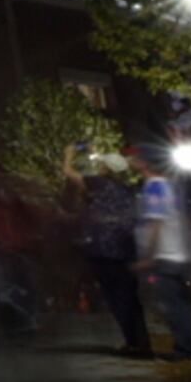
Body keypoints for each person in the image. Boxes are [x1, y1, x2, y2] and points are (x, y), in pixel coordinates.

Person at [78, 153, 154, 358]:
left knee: (117, 298)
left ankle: (133, 342)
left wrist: (69, 154)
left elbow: (71, 175)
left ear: (107, 169)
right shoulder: (126, 190)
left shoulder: (100, 185)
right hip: (126, 249)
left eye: (101, 164)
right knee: (130, 297)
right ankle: (141, 341)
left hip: (106, 250)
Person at [135, 160, 191, 360]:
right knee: (180, 305)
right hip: (179, 254)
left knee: (174, 307)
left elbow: (156, 222)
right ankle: (187, 346)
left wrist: (148, 255)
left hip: (166, 255)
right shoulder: (171, 187)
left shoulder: (154, 187)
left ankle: (186, 350)